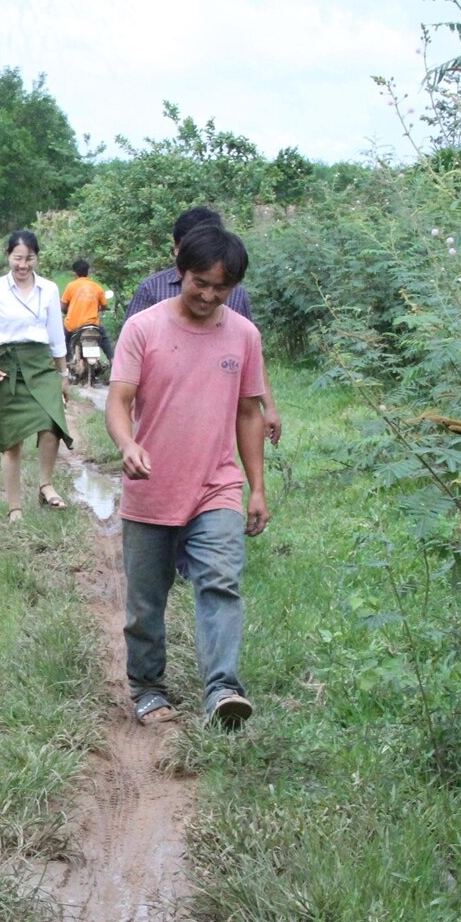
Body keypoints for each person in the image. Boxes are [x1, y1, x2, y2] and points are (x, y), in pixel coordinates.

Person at [106, 223, 269, 729]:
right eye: (201, 281)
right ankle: (149, 686)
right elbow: (119, 400)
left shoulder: (243, 335)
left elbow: (249, 412)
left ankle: (222, 689)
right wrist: (128, 443)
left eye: (222, 287)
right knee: (145, 602)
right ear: (181, 273)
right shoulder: (144, 328)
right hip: (152, 486)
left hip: (216, 485)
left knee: (220, 582)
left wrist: (257, 486)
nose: (210, 294)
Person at [125, 206, 282, 444]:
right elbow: (129, 355)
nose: (208, 296)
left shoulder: (235, 296)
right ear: (178, 249)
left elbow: (251, 354)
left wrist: (268, 406)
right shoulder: (151, 290)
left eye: (219, 288)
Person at [0, 230, 72, 521]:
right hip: (9, 367)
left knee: (52, 423)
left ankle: (45, 485)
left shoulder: (49, 289)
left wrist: (63, 374)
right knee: (12, 440)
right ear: (8, 256)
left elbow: (56, 335)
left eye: (29, 258)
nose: (23, 265)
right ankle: (15, 507)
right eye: (17, 258)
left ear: (36, 258)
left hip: (42, 365)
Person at [59, 257, 114, 362]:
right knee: (105, 340)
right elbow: (104, 305)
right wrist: (100, 308)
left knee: (63, 340)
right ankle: (113, 361)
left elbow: (63, 306)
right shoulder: (97, 287)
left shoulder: (71, 286)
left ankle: (66, 363)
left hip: (73, 325)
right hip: (92, 324)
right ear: (87, 272)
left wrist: (66, 310)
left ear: (75, 273)